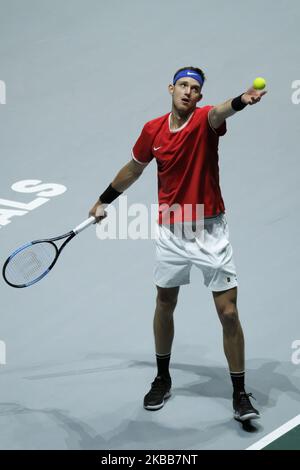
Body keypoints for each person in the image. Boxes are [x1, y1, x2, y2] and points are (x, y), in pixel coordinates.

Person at [89, 66, 267, 422]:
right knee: (164, 302)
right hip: (172, 233)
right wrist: (104, 200)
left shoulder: (205, 120)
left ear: (200, 96)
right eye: (183, 85)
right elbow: (134, 168)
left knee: (228, 313)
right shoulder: (152, 130)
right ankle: (162, 377)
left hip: (210, 230)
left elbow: (220, 111)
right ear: (171, 88)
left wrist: (240, 102)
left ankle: (239, 393)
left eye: (195, 88)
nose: (188, 91)